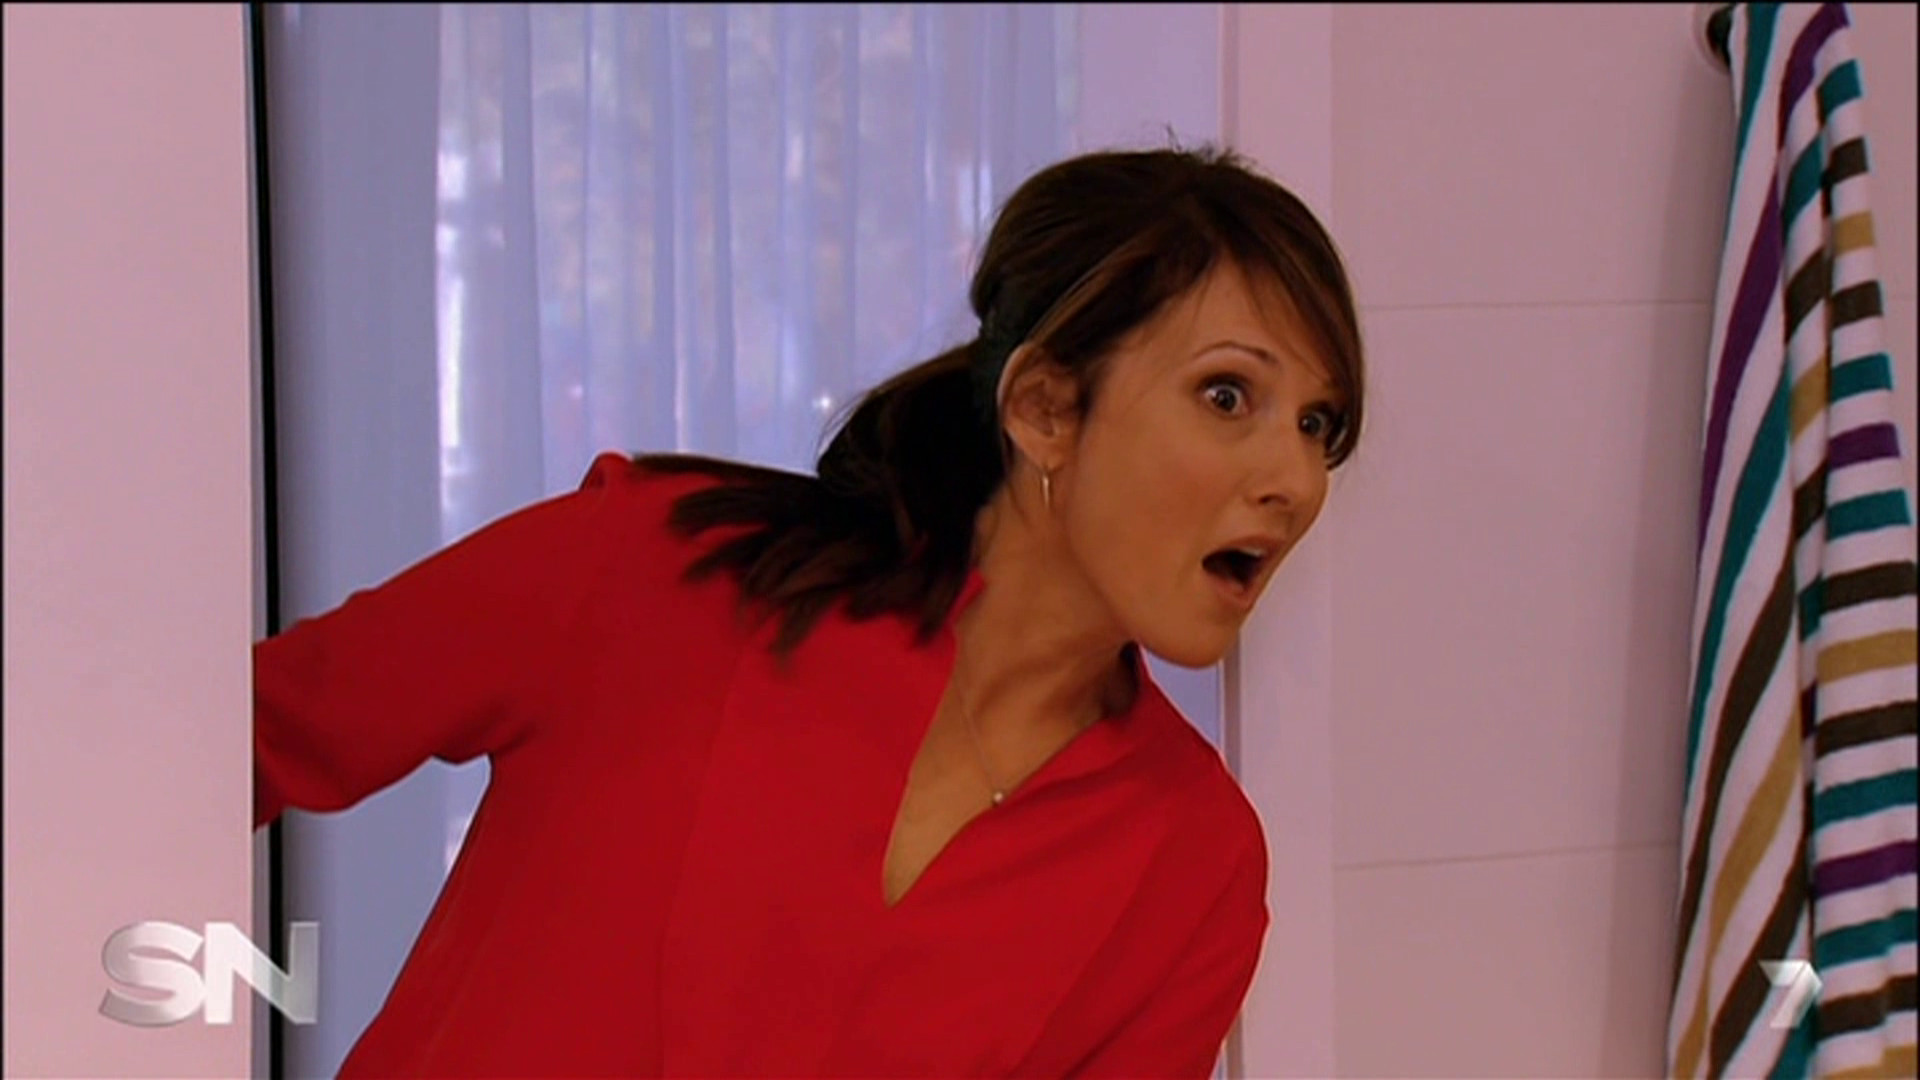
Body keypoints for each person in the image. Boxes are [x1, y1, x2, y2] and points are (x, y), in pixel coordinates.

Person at [253, 143, 1366, 1078]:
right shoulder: (652, 570)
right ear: (1044, 408)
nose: (1297, 480)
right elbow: (232, 742)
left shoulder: (1194, 867)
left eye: (1318, 425)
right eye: (1229, 395)